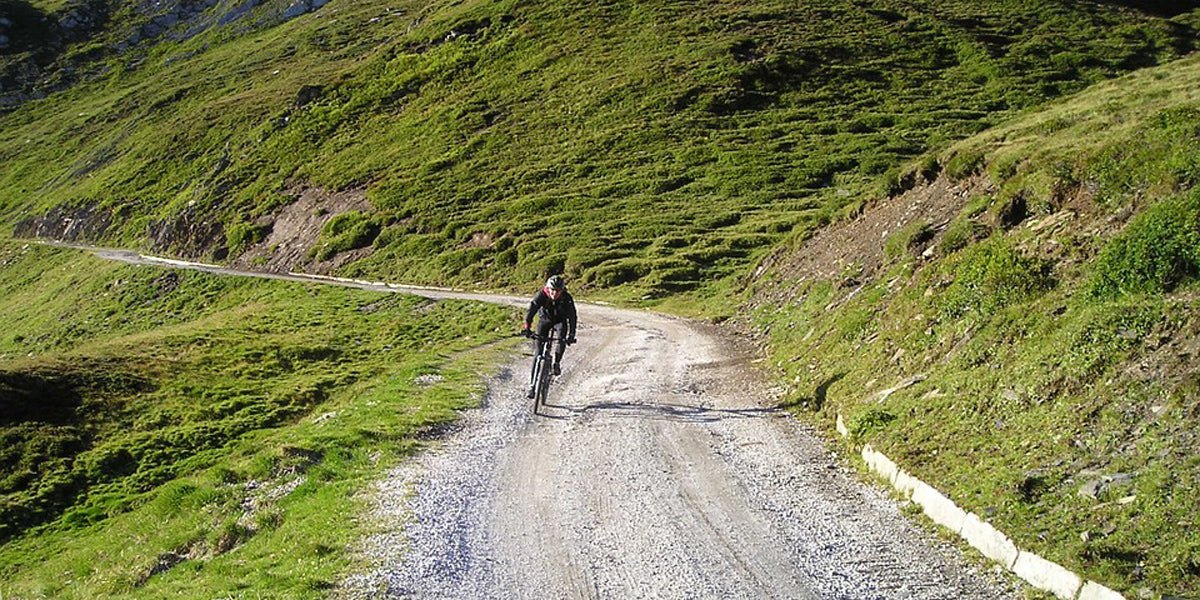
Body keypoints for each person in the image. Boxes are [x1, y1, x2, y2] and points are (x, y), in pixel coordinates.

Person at [522, 275, 577, 399]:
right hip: (545, 320)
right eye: (552, 290)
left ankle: (556, 363)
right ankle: (532, 386)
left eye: (557, 291)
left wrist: (571, 334)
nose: (554, 293)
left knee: (561, 338)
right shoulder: (542, 294)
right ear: (548, 288)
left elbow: (572, 317)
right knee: (537, 353)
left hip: (560, 321)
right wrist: (527, 328)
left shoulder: (566, 298)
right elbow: (531, 310)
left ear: (562, 291)